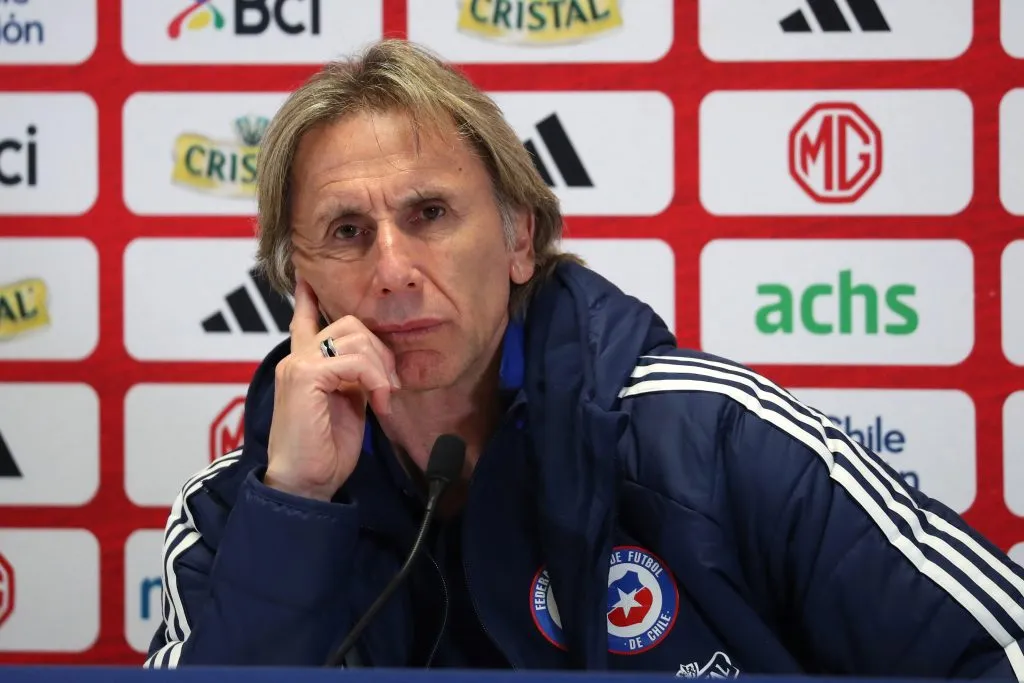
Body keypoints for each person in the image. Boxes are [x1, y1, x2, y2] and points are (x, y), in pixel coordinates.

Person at [145, 38, 1024, 678]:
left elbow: (1000, 651)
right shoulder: (236, 511)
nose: (393, 272)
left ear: (520, 237)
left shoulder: (704, 440)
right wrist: (294, 505)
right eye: (347, 232)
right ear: (300, 283)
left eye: (431, 214)